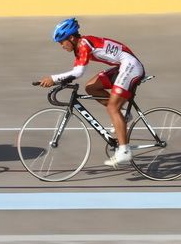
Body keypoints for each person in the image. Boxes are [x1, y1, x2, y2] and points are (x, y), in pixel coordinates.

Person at [38, 17, 145, 168]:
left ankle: (124, 150)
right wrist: (62, 81)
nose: (61, 45)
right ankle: (122, 114)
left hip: (131, 67)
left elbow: (79, 72)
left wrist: (53, 79)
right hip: (123, 66)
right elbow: (75, 72)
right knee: (91, 87)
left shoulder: (83, 44)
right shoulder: (80, 47)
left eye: (62, 41)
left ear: (71, 38)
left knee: (111, 108)